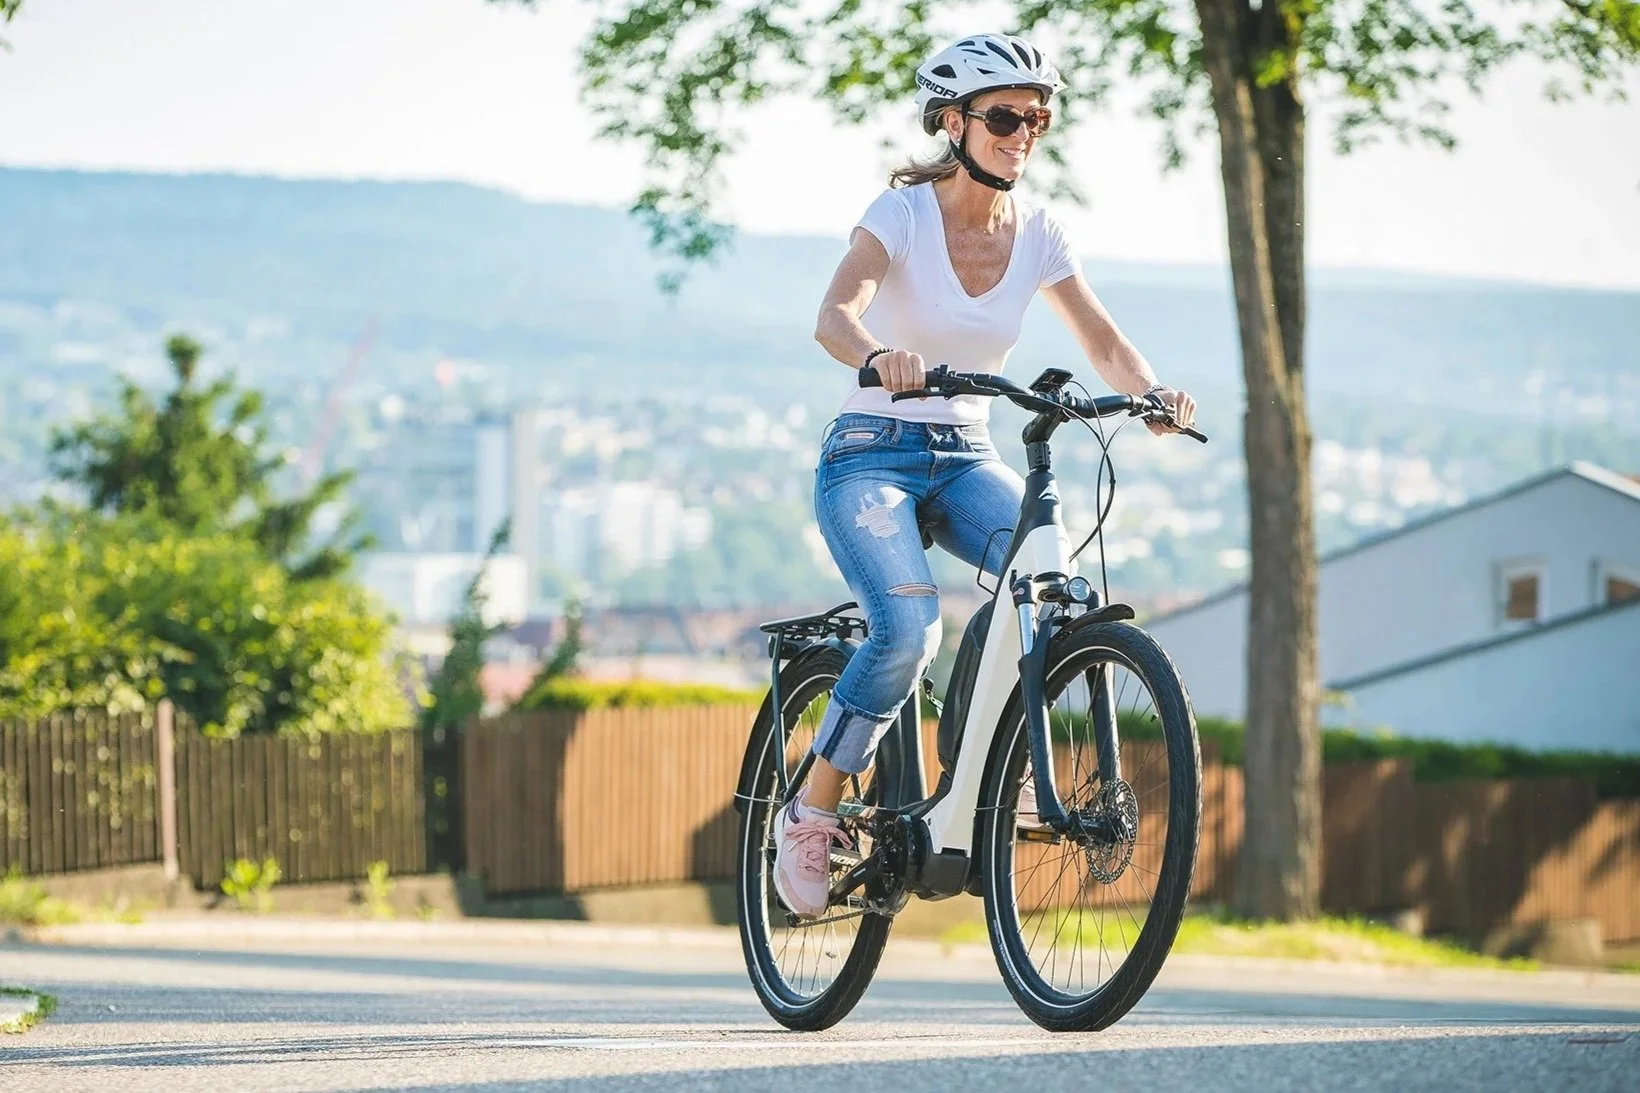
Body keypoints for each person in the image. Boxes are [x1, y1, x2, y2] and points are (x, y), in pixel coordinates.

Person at [774, 33, 1199, 917]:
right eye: (1006, 116)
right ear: (953, 120)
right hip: (872, 451)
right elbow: (833, 314)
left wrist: (1149, 391)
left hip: (969, 456)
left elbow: (1103, 341)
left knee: (1052, 589)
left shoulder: (1039, 232)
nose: (1024, 133)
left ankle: (981, 761)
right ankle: (812, 807)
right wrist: (881, 354)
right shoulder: (901, 213)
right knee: (908, 629)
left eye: (1038, 119)